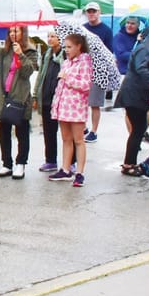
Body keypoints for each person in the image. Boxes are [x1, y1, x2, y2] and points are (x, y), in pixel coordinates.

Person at [0, 25, 38, 179]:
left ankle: (21, 164)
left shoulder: (30, 51)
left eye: (16, 31)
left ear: (23, 33)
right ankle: (6, 164)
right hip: (3, 96)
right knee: (3, 131)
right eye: (10, 31)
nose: (12, 34)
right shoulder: (4, 50)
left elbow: (28, 72)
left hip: (20, 97)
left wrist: (21, 55)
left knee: (21, 132)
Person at [48, 33, 92, 187]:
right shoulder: (67, 62)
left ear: (78, 46)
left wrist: (68, 78)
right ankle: (65, 169)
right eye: (65, 47)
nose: (66, 50)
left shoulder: (85, 62)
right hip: (63, 105)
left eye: (69, 47)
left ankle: (79, 173)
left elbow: (86, 86)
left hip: (76, 107)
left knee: (78, 140)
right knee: (66, 139)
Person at [115, 31, 149, 177]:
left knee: (138, 130)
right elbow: (141, 69)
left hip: (136, 94)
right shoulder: (144, 48)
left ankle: (129, 163)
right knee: (138, 130)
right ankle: (129, 165)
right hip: (134, 94)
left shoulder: (145, 48)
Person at [34, 30, 66, 173]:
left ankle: (71, 162)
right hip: (46, 97)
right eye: (48, 36)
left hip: (62, 99)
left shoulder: (66, 55)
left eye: (53, 36)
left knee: (67, 133)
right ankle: (50, 160)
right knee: (48, 131)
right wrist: (35, 95)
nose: (50, 39)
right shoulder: (47, 54)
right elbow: (41, 75)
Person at [82, 2, 112, 142]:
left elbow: (110, 51)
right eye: (89, 11)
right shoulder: (83, 28)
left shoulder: (106, 30)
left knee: (95, 102)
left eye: (94, 11)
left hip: (99, 68)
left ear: (99, 12)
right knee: (81, 100)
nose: (91, 14)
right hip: (84, 67)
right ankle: (83, 127)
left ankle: (94, 130)